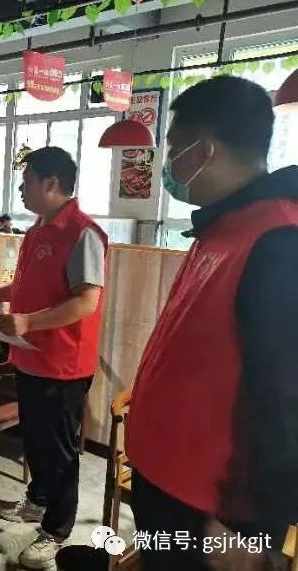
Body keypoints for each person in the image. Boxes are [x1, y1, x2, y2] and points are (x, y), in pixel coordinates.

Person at [127, 76, 298, 571]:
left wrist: (254, 528)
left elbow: (286, 398)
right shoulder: (222, 227)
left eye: (173, 148)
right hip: (165, 480)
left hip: (214, 512)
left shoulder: (279, 241)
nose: (168, 165)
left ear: (204, 150)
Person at [0, 147, 107, 570]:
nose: (21, 190)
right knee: (36, 440)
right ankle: (38, 499)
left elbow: (86, 302)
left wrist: (27, 322)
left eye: (26, 182)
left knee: (59, 451)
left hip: (63, 364)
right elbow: (25, 286)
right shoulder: (37, 230)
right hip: (30, 357)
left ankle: (56, 532)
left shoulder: (83, 233)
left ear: (51, 183)